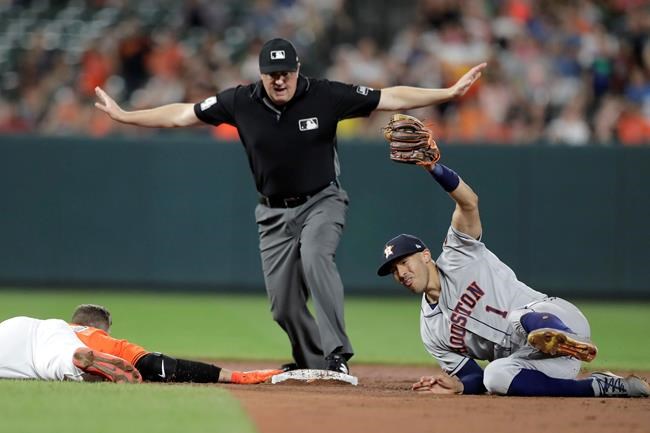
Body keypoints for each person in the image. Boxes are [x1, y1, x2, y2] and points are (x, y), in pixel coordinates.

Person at [94, 37, 486, 373]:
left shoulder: (325, 95)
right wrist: (126, 116)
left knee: (316, 257)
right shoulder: (241, 101)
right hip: (272, 213)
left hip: (322, 202)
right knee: (283, 305)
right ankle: (311, 360)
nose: (279, 80)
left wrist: (446, 93)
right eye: (271, 73)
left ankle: (336, 355)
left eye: (285, 72)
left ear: (297, 69)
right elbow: (182, 114)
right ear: (261, 74)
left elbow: (390, 96)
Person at [376, 156, 650, 397]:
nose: (401, 273)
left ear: (425, 255)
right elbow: (473, 377)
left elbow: (469, 203)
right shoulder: (430, 332)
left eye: (404, 262)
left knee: (517, 317)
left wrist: (435, 169)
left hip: (558, 316)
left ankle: (558, 335)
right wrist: (458, 386)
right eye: (394, 271)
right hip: (541, 364)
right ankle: (599, 387)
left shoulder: (458, 254)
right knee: (494, 376)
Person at [70, 304, 280, 384]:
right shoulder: (101, 340)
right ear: (98, 327)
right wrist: (234, 376)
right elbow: (160, 366)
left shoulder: (51, 330)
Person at [0, 315, 141, 383]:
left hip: (9, 347)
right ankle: (80, 358)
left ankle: (85, 366)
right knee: (66, 352)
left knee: (59, 364)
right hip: (42, 325)